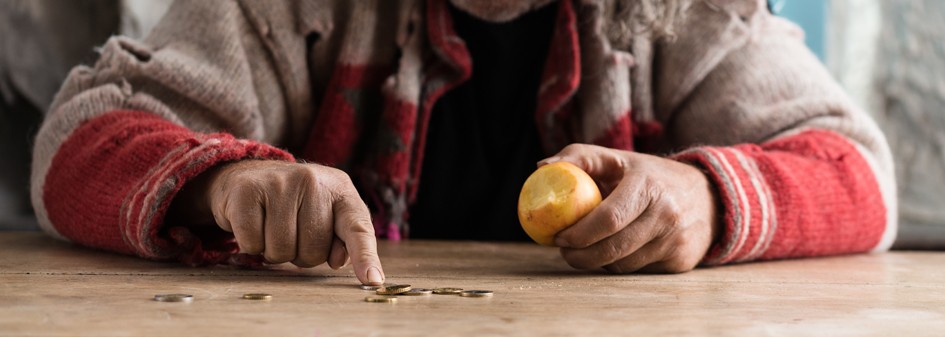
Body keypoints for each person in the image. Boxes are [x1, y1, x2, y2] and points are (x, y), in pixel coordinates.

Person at [30, 0, 896, 286]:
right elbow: (79, 139)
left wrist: (706, 200)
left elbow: (857, 174)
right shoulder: (290, 7)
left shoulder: (682, 14)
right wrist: (220, 185)